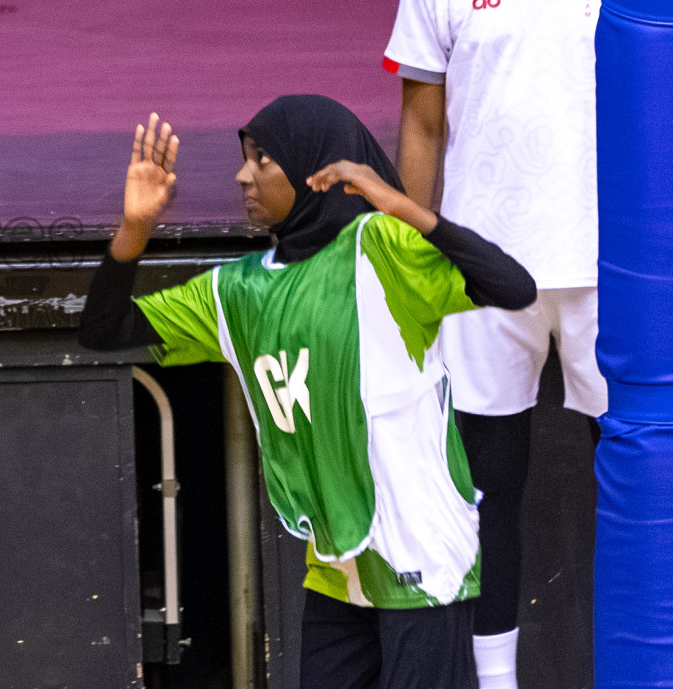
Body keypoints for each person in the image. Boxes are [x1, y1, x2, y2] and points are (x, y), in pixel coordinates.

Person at [80, 100, 537, 689]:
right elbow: (104, 329)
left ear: (314, 170)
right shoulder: (235, 291)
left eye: (262, 159)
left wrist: (400, 205)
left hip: (423, 558)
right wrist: (134, 229)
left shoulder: (380, 247)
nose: (243, 176)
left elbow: (513, 286)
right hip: (337, 570)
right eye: (245, 160)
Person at [381, 0, 606, 689]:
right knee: (487, 489)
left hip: (609, 268)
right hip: (482, 271)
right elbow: (422, 123)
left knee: (636, 479)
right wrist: (412, 255)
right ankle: (496, 681)